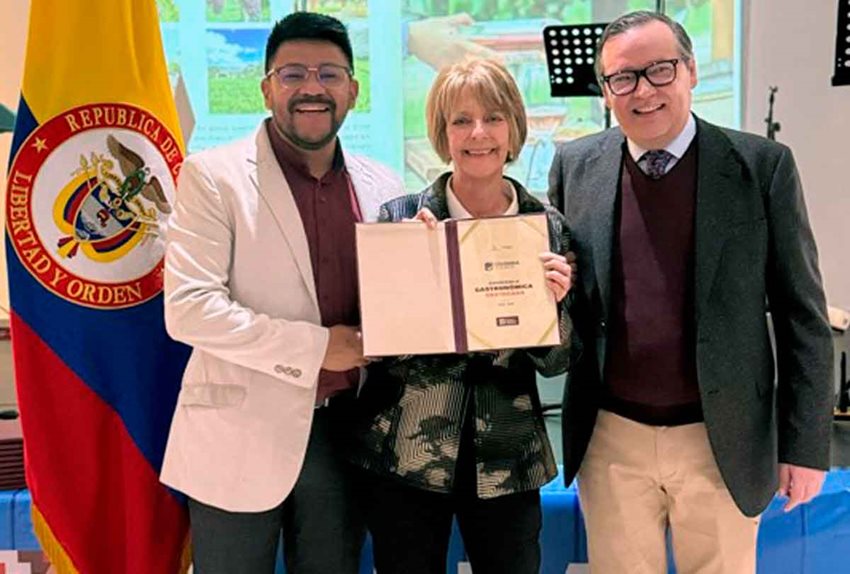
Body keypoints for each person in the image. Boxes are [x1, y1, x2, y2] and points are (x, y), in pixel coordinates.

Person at [548, 11, 833, 573]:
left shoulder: (761, 167)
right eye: (623, 78)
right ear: (605, 90)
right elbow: (567, 299)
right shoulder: (574, 166)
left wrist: (805, 445)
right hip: (612, 437)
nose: (643, 91)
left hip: (722, 435)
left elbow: (803, 315)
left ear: (691, 70)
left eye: (660, 70)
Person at [159, 12, 404, 574]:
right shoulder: (211, 177)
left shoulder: (385, 184)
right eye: (293, 74)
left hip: (347, 437)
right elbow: (190, 311)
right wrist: (318, 349)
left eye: (329, 74)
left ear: (353, 91)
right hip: (237, 439)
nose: (312, 88)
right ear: (266, 88)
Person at [348, 58, 574, 574]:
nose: (478, 134)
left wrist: (554, 306)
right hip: (408, 452)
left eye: (493, 118)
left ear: (514, 127)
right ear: (441, 132)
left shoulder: (546, 227)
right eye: (461, 120)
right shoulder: (401, 218)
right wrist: (409, 273)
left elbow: (558, 361)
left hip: (508, 454)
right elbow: (378, 343)